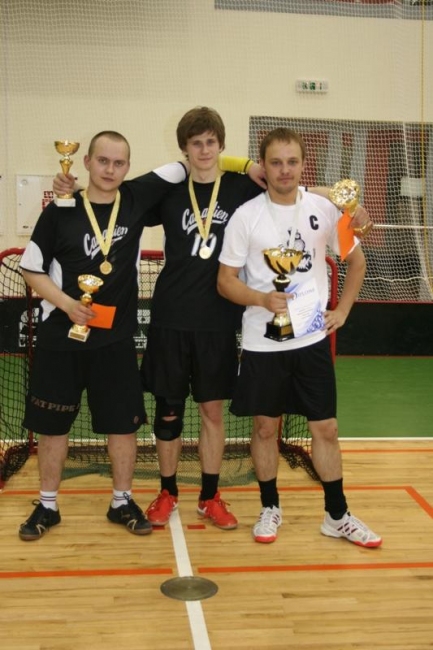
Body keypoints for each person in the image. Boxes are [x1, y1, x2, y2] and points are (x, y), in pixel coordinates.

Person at [139, 107, 373, 531]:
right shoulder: (173, 191)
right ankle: (169, 491)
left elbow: (291, 186)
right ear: (184, 148)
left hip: (227, 324)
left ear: (222, 146)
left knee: (215, 413)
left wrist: (347, 204)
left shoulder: (240, 189)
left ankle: (213, 497)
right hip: (176, 318)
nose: (204, 150)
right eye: (196, 143)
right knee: (171, 412)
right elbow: (122, 195)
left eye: (211, 142)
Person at [18, 130, 189, 541]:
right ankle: (47, 505)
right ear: (86, 163)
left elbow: (192, 163)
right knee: (53, 428)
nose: (110, 169)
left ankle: (121, 501)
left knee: (122, 427)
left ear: (128, 167)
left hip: (114, 340)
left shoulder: (135, 198)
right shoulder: (61, 209)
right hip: (61, 338)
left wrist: (248, 166)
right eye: (103, 161)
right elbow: (31, 268)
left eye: (119, 162)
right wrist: (66, 304)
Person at [217, 127, 382, 547]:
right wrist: (260, 298)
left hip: (310, 342)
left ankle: (337, 515)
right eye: (276, 162)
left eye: (292, 162)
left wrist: (342, 311)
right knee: (265, 429)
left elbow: (357, 263)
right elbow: (225, 281)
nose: (284, 170)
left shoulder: (324, 209)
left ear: (304, 165)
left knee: (326, 428)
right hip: (262, 342)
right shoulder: (246, 216)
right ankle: (269, 507)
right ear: (263, 165)